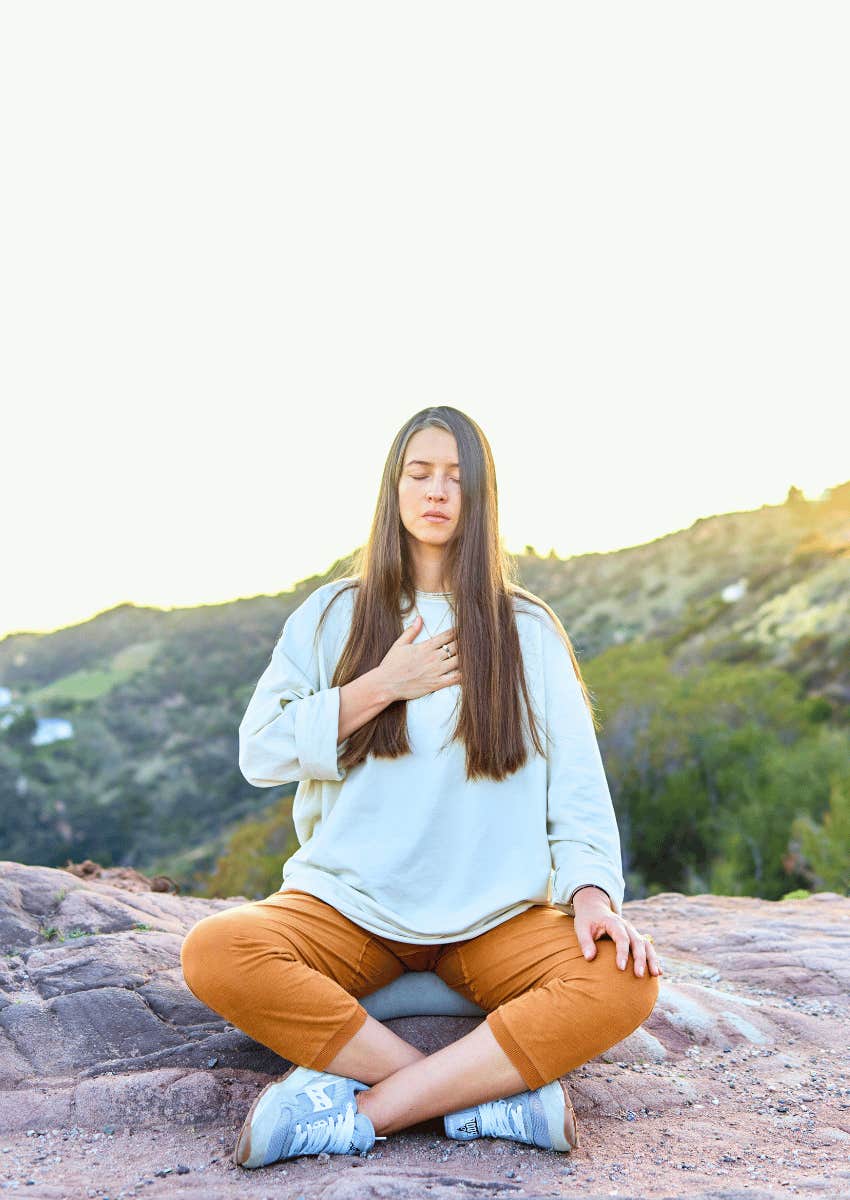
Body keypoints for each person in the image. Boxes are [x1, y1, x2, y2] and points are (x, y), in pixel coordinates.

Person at [179, 405, 662, 1169]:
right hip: (352, 908)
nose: (438, 491)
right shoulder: (333, 614)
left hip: (492, 919)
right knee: (217, 951)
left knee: (624, 982)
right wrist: (378, 686)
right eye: (420, 472)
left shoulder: (526, 630)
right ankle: (478, 1095)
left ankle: (369, 1109)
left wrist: (595, 898)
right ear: (394, 488)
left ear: (481, 498)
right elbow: (259, 751)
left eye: (458, 478)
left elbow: (576, 789)